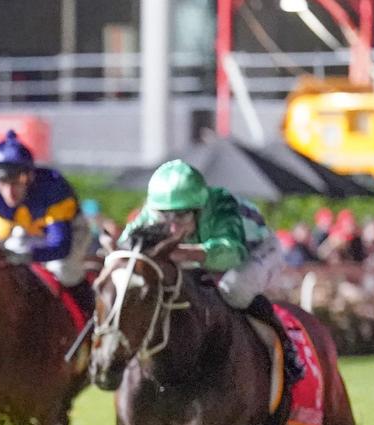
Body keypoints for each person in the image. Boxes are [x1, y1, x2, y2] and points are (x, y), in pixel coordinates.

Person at [120, 159, 302, 382]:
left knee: (234, 289)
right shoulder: (151, 213)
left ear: (199, 209)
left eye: (182, 215)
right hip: (212, 254)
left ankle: (288, 349)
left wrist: (182, 252)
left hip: (255, 249)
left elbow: (232, 254)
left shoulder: (221, 205)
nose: (173, 227)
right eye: (165, 216)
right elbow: (124, 248)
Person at [0, 129, 95, 319]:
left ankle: (91, 318)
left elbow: (60, 246)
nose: (9, 191)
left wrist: (29, 256)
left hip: (69, 231)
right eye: (2, 181)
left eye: (17, 181)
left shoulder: (51, 189)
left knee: (63, 269)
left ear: (30, 176)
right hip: (27, 229)